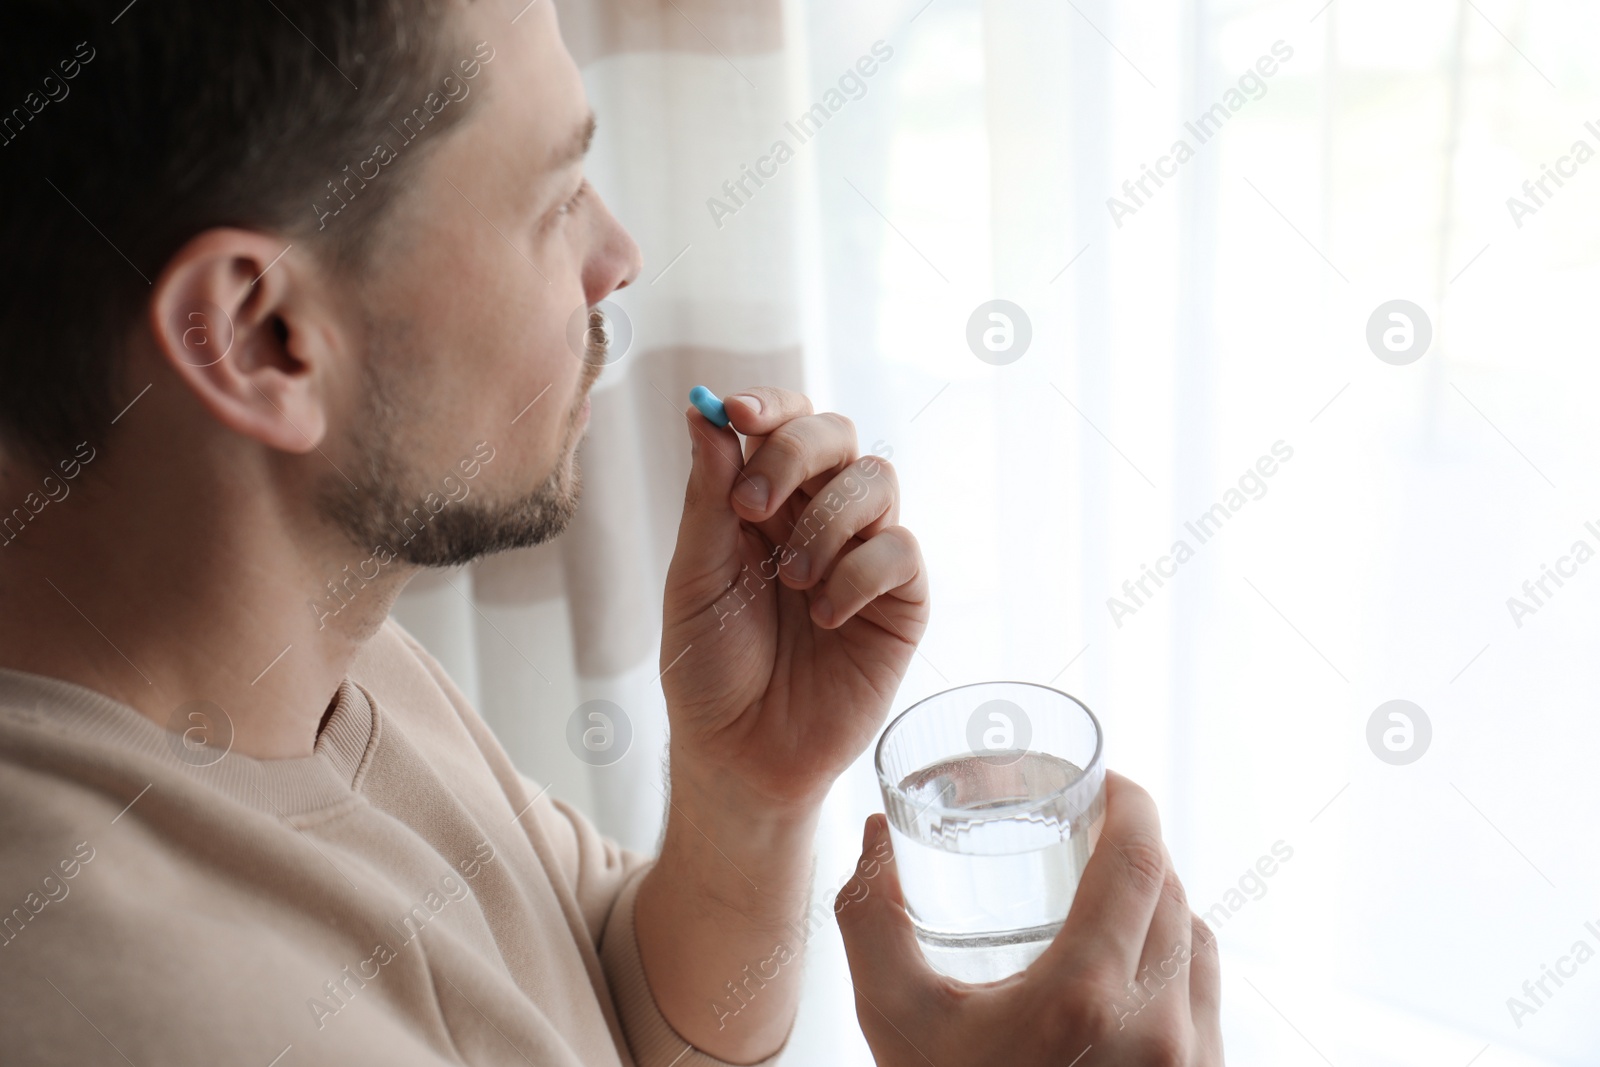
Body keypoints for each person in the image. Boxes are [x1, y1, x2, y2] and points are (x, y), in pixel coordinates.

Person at [0, 1, 1222, 1064]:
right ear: (265, 337)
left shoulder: (311, 639)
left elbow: (624, 1020)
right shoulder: (122, 1004)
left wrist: (747, 784)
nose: (616, 257)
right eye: (554, 200)